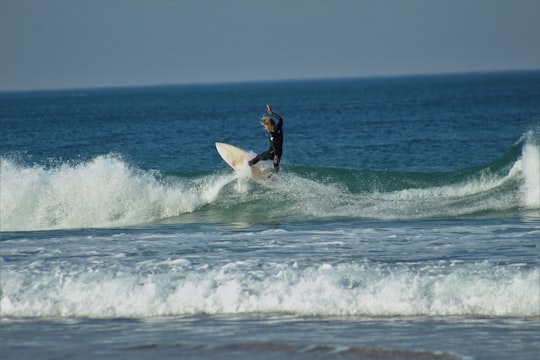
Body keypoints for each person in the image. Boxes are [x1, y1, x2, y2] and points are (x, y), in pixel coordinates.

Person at [248, 104, 283, 171]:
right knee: (275, 165)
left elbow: (274, 144)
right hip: (280, 152)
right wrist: (272, 113)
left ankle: (248, 164)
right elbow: (280, 119)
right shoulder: (279, 127)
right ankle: (275, 178)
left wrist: (275, 155)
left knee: (258, 157)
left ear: (269, 126)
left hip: (272, 153)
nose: (265, 128)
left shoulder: (271, 135)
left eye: (265, 126)